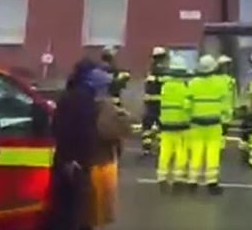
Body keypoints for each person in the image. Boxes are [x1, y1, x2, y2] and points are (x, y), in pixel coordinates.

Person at [43, 58, 97, 230]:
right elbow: (65, 129)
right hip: (73, 161)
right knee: (70, 204)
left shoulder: (78, 95)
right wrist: (70, 159)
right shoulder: (79, 98)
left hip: (73, 159)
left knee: (71, 204)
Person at [85, 67, 132, 229]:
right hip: (101, 162)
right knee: (99, 209)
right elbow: (113, 131)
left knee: (92, 209)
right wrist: (123, 117)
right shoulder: (104, 106)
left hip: (89, 160)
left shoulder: (81, 103)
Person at [186, 55, 226, 195]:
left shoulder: (193, 83)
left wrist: (189, 116)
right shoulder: (220, 83)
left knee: (196, 152)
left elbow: (187, 105)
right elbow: (225, 105)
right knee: (212, 153)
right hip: (214, 124)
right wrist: (225, 118)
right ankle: (212, 183)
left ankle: (192, 182)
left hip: (196, 123)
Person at [156, 56, 191, 194]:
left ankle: (162, 178)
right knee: (181, 152)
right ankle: (178, 179)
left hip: (166, 124)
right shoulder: (184, 88)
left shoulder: (165, 87)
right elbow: (187, 107)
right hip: (181, 125)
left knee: (165, 152)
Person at [141, 46, 168, 156]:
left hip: (149, 101)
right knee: (161, 125)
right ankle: (161, 147)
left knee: (147, 125)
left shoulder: (150, 70)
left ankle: (146, 148)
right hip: (160, 102)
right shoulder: (163, 70)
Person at [216, 54, 237, 134]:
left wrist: (235, 109)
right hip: (217, 114)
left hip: (227, 115)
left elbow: (234, 97)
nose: (226, 68)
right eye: (225, 65)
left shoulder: (231, 81)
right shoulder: (215, 80)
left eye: (227, 65)